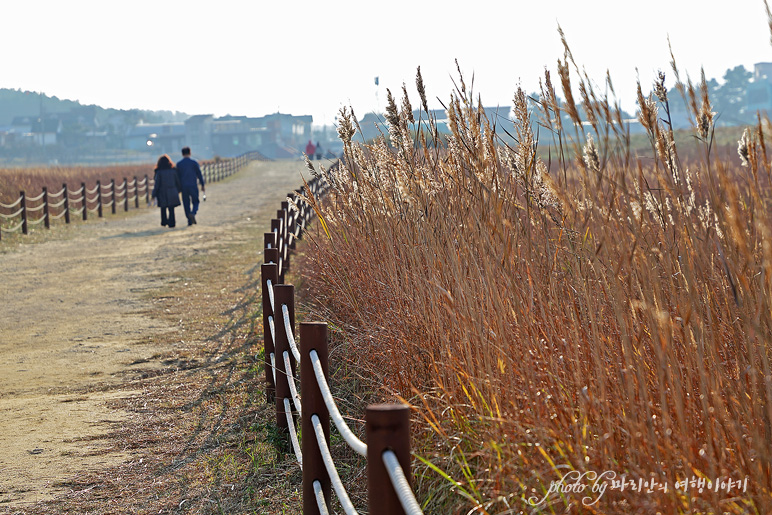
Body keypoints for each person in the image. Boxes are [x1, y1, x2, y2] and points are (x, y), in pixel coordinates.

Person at [176, 146, 205, 226]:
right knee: (195, 201)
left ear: (182, 154)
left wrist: (178, 188)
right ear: (190, 153)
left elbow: (177, 177)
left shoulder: (179, 164)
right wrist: (202, 184)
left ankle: (189, 220)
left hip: (183, 186)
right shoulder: (194, 163)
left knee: (186, 203)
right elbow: (199, 174)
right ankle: (193, 213)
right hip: (193, 185)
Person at [151, 154, 181, 228]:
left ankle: (164, 221)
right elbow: (177, 181)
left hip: (162, 192)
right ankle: (172, 222)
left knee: (163, 208)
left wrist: (153, 194)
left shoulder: (159, 172)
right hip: (172, 191)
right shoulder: (173, 171)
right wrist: (179, 190)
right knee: (171, 209)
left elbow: (157, 184)